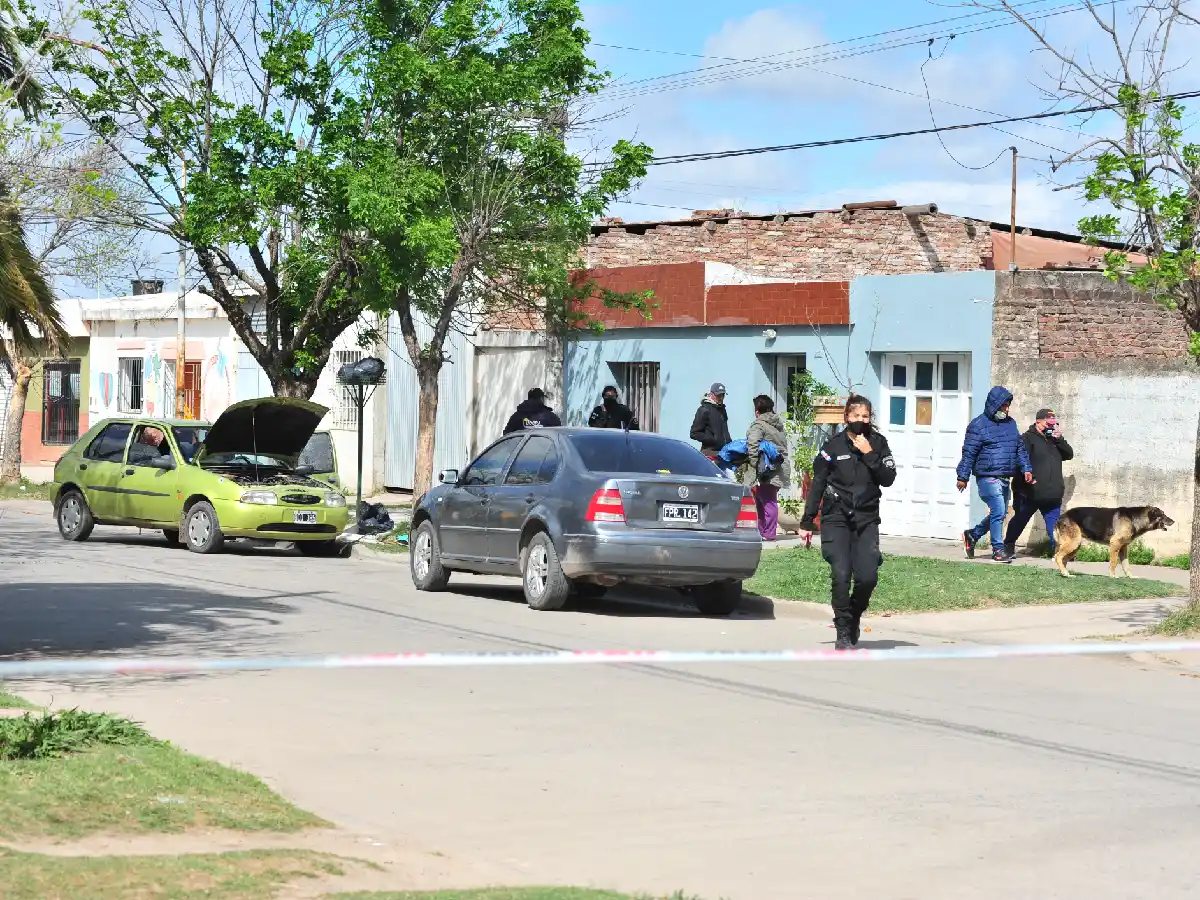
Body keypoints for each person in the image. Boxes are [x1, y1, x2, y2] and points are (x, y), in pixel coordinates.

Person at [798, 395, 897, 650]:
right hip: (836, 518)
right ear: (846, 417)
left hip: (866, 519)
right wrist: (807, 522)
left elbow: (888, 478)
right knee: (841, 574)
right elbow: (818, 484)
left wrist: (869, 454)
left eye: (865, 416)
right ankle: (843, 630)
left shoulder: (878, 444)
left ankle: (854, 616)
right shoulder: (832, 447)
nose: (860, 420)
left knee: (868, 577)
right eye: (856, 416)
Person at [956, 386, 1033, 563]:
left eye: (1008, 406)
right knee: (998, 510)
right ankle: (998, 550)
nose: (1006, 409)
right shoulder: (978, 425)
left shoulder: (1011, 424)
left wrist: (1026, 468)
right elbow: (969, 452)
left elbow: (1019, 448)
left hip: (1005, 477)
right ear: (994, 405)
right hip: (987, 476)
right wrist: (962, 476)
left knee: (1000, 513)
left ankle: (973, 535)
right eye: (1003, 406)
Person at [1003, 408, 1073, 557]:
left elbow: (1069, 454)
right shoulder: (1027, 438)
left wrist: (1059, 439)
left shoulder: (1054, 440)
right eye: (1047, 424)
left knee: (1054, 526)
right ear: (1038, 422)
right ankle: (1008, 546)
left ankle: (1060, 553)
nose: (1050, 427)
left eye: (1053, 424)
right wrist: (1031, 480)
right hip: (1030, 492)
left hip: (1051, 493)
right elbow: (1020, 461)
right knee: (1020, 520)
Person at [744, 394, 790, 541]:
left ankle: (768, 533)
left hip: (766, 468)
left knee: (768, 501)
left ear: (757, 411)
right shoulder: (778, 425)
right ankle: (762, 531)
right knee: (763, 499)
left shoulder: (759, 425)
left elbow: (752, 444)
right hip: (778, 466)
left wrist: (753, 464)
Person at [690, 382, 731, 461]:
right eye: (718, 395)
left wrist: (729, 443)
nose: (721, 398)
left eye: (723, 395)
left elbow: (725, 431)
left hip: (723, 453)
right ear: (711, 395)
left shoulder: (722, 410)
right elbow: (694, 433)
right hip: (710, 453)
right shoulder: (704, 410)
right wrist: (713, 440)